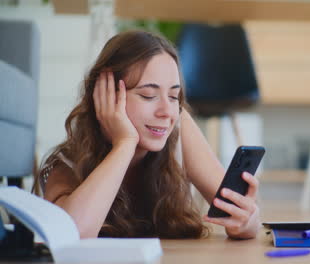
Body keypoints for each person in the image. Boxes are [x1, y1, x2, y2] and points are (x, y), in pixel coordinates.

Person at [34, 31, 260, 240]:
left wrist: (246, 222)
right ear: (106, 97)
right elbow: (73, 234)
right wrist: (124, 144)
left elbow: (240, 215)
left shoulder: (178, 127)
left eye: (173, 96)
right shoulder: (67, 163)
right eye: (148, 95)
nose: (166, 112)